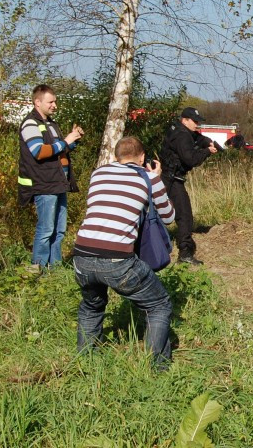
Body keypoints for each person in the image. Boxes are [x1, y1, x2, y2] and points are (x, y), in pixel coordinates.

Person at [72, 136, 176, 368]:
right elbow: (169, 217)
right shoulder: (149, 177)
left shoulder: (98, 173)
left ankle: (85, 363)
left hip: (81, 255)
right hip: (117, 259)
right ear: (142, 157)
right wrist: (157, 180)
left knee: (92, 305)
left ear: (116, 156)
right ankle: (157, 366)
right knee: (159, 305)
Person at [18, 84, 83, 270]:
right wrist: (66, 141)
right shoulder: (30, 123)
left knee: (59, 231)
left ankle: (55, 270)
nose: (55, 105)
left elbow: (60, 150)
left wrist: (74, 141)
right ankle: (36, 268)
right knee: (46, 229)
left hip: (59, 182)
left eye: (55, 101)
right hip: (44, 183)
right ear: (37, 102)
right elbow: (39, 151)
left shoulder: (51, 124)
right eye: (51, 102)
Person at [159, 107, 217, 265]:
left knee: (158, 212)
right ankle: (185, 252)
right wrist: (207, 151)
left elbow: (196, 137)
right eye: (195, 121)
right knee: (184, 215)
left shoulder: (177, 129)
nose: (197, 124)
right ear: (184, 120)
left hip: (166, 177)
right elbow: (190, 159)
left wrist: (206, 141)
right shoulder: (183, 136)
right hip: (172, 179)